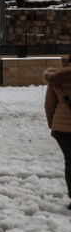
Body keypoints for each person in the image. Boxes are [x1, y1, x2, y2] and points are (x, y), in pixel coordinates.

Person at [44, 60, 71, 209]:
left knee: (70, 162)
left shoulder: (56, 79)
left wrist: (52, 125)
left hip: (62, 129)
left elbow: (49, 105)